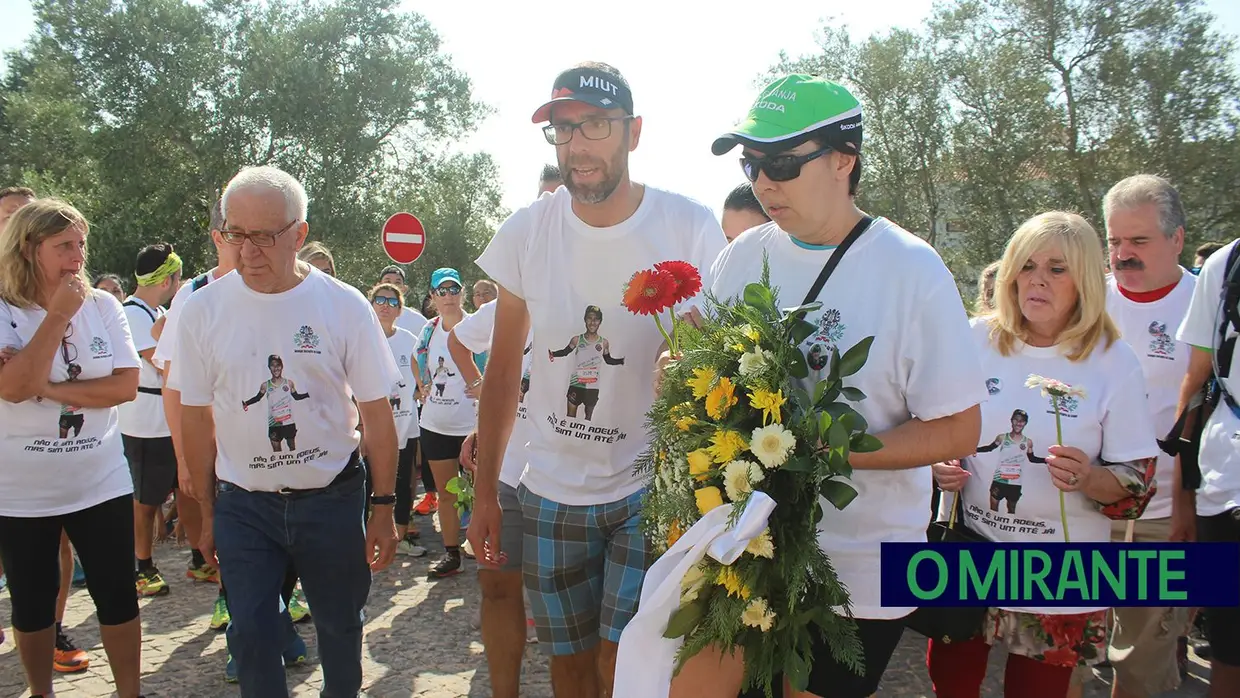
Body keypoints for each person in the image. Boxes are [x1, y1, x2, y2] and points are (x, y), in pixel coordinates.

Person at [702, 74, 986, 698]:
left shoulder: (912, 269)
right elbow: (696, 355)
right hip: (744, 547)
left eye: (780, 162)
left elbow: (960, 428)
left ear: (844, 161)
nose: (762, 182)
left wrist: (827, 453)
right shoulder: (742, 254)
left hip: (858, 569)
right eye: (752, 164)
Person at [469, 61, 727, 698]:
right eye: (563, 128)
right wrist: (483, 496)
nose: (577, 145)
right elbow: (502, 375)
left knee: (624, 663)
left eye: (595, 126)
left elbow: (725, 361)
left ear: (633, 133)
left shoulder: (690, 226)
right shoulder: (527, 230)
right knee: (570, 667)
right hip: (550, 489)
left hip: (651, 483)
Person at [171, 165, 400, 697]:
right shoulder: (202, 310)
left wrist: (384, 507)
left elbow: (377, 415)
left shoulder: (343, 306)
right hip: (244, 506)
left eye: (265, 237)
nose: (248, 252)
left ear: (299, 233)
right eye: (236, 235)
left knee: (340, 626)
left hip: (332, 501)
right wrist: (206, 512)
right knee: (250, 631)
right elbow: (194, 417)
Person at [930, 211, 1158, 698]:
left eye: (1057, 268)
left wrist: (1091, 478)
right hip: (972, 547)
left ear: (1086, 280)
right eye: (1027, 265)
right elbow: (935, 426)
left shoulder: (1112, 360)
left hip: (1060, 567)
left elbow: (1137, 481)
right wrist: (938, 464)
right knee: (951, 681)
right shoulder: (976, 338)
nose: (1037, 280)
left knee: (1037, 691)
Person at [0, 198, 145, 698]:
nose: (77, 258)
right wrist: (58, 316)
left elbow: (125, 387)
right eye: (64, 246)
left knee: (118, 595)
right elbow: (13, 388)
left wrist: (50, 388)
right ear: (28, 247)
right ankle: (40, 692)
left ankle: (130, 692)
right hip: (21, 490)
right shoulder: (3, 307)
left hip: (100, 478)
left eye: (81, 244)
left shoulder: (105, 306)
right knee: (33, 603)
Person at [1069, 174, 1196, 698]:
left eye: (1138, 241)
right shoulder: (1084, 301)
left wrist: (1188, 507)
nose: (1123, 254)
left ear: (1177, 239)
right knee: (1064, 653)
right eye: (1115, 241)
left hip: (1164, 517)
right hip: (1078, 511)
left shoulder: (1205, 306)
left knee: (1144, 660)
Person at [450, 295, 537, 698]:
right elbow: (457, 341)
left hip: (574, 475)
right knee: (498, 588)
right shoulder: (511, 298)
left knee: (574, 612)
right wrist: (480, 394)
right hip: (506, 469)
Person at [1173, 243, 1240, 698]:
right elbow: (1195, 381)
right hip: (1226, 482)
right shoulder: (1225, 264)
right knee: (1229, 646)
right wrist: (1183, 502)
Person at [120, 242, 189, 599]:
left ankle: (200, 558)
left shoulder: (156, 310)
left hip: (167, 417)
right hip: (145, 419)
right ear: (168, 279)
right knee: (146, 499)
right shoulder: (131, 313)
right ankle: (142, 566)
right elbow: (159, 361)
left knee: (187, 487)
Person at [416, 267, 480, 578]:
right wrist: (422, 385)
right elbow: (418, 359)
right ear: (432, 296)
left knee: (483, 491)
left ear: (462, 292)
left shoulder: (476, 326)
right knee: (446, 493)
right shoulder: (428, 330)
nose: (449, 295)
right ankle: (451, 553)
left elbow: (497, 361)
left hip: (473, 424)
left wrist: (483, 383)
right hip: (436, 424)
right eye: (442, 291)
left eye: (454, 289)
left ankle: (483, 549)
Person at [368, 282, 427, 558]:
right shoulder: (362, 337)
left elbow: (422, 375)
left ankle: (402, 537)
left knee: (403, 486)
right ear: (371, 304)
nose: (385, 305)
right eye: (380, 299)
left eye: (392, 302)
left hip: (405, 425)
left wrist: (419, 390)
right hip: (370, 430)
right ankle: (366, 542)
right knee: (368, 485)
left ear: (400, 309)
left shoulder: (409, 340)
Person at [379, 264, 429, 335]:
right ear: (378, 286)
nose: (392, 286)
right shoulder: (367, 315)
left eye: (397, 283)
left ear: (404, 289)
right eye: (387, 282)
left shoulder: (417, 321)